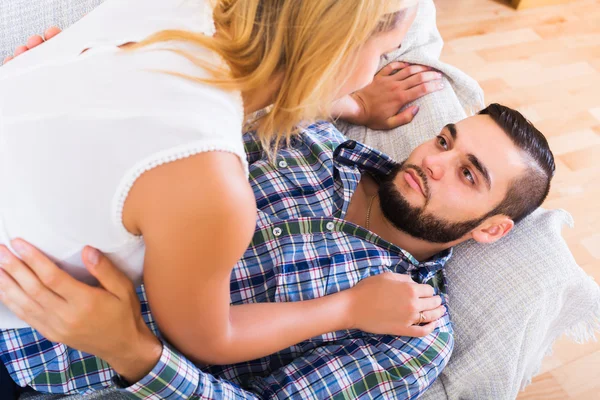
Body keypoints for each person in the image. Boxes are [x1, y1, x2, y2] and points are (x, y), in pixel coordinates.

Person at [0, 0, 447, 373]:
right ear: (337, 49)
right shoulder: (210, 186)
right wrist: (349, 308)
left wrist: (351, 102)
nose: (373, 73)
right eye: (383, 53)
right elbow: (209, 339)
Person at [0, 104, 555, 399]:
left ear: (491, 230)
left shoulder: (414, 334)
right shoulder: (312, 138)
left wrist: (132, 352)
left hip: (39, 351)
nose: (434, 160)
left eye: (466, 173)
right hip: (28, 222)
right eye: (445, 140)